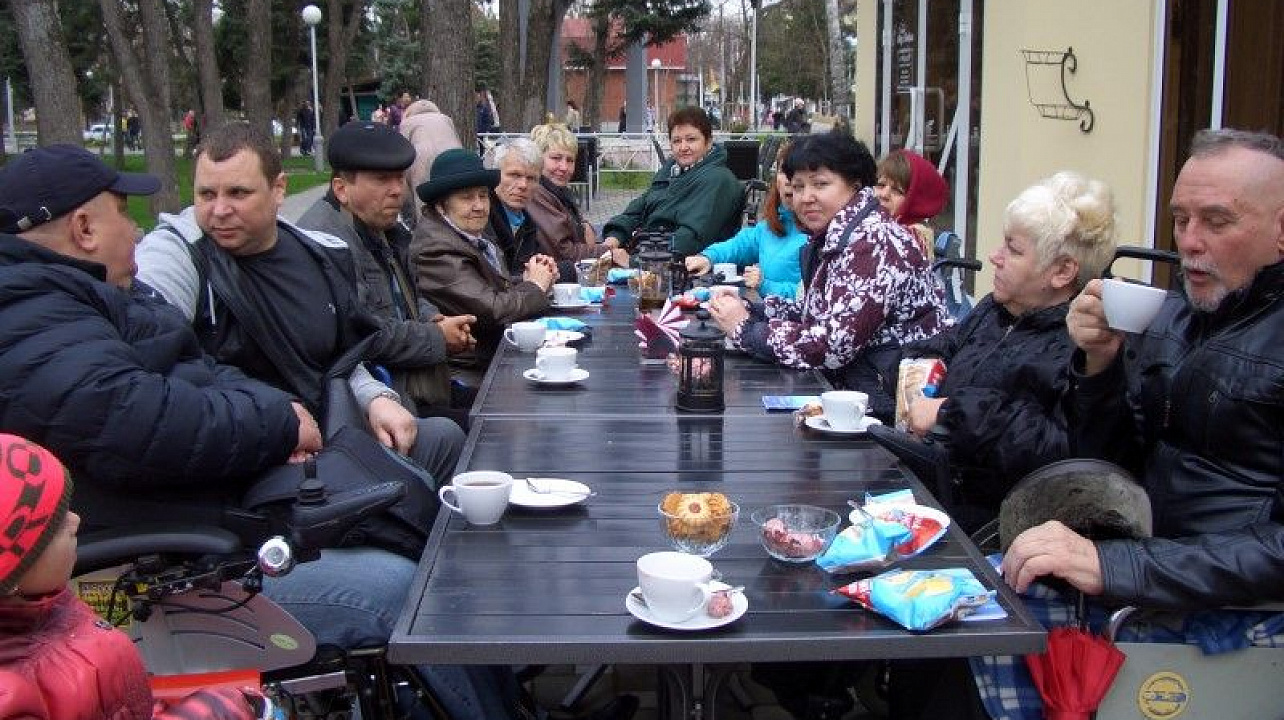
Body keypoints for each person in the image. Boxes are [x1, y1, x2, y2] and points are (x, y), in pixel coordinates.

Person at [965, 128, 1284, 720]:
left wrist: (1115, 566)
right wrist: (1099, 366)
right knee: (950, 598)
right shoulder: (1183, 318)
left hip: (1232, 616)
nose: (1189, 243)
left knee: (973, 625)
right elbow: (1111, 461)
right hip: (1151, 572)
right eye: (1180, 218)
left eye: (1216, 221)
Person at [135, 122, 465, 485]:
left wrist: (375, 398)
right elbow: (152, 359)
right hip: (248, 455)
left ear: (279, 189)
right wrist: (273, 424)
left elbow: (341, 354)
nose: (220, 210)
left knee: (444, 439)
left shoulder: (319, 253)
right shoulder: (179, 254)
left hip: (333, 432)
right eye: (206, 194)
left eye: (238, 193)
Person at [893, 171, 1117, 534]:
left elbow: (1060, 451)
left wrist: (951, 413)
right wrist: (912, 370)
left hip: (993, 529)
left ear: (1061, 271)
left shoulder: (1082, 345)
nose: (995, 257)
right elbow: (946, 346)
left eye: (1014, 249)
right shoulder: (997, 309)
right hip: (933, 490)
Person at [0, 435, 267, 720]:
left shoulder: (39, 603)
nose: (75, 521)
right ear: (12, 576)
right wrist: (213, 711)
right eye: (54, 527)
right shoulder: (14, 697)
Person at [706, 132, 951, 419]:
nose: (806, 197)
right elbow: (820, 313)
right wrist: (755, 310)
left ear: (856, 185)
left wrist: (746, 329)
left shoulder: (872, 242)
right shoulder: (842, 234)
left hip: (891, 409)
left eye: (820, 184)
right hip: (862, 389)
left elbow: (832, 345)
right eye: (798, 187)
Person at [296, 122, 475, 428]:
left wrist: (436, 321)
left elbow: (411, 297)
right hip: (377, 410)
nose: (398, 191)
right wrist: (437, 337)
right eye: (382, 180)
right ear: (341, 189)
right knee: (480, 431)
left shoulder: (384, 226)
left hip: (416, 388)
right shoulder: (324, 243)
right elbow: (365, 335)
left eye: (399, 178)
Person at [410, 148, 556, 369]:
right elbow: (492, 310)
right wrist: (535, 285)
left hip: (495, 355)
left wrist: (534, 275)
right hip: (466, 369)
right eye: (466, 198)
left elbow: (492, 289)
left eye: (482, 195)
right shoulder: (436, 249)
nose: (478, 206)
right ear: (441, 206)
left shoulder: (472, 236)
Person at [602, 106, 745, 257]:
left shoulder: (718, 180)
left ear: (708, 142)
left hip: (681, 267)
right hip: (649, 251)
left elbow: (691, 238)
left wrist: (636, 261)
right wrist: (615, 236)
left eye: (691, 139)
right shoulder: (671, 172)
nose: (683, 147)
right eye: (677, 141)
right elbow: (639, 208)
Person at [685, 140, 807, 299]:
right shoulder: (772, 225)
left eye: (798, 174)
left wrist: (765, 285)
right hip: (768, 315)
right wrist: (708, 257)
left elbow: (812, 296)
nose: (789, 181)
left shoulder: (819, 234)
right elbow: (740, 245)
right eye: (784, 172)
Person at [527, 123, 628, 280]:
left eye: (570, 160)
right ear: (538, 159)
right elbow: (564, 251)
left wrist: (586, 231)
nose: (564, 167)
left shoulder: (558, 192)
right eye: (556, 158)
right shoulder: (536, 194)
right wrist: (608, 252)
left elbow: (584, 233)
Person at [485, 138, 545, 276]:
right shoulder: (482, 216)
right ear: (495, 175)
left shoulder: (528, 222)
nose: (523, 185)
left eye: (531, 178)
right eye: (514, 175)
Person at [399, 98, 463, 224]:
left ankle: (425, 229)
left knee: (422, 198)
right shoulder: (445, 119)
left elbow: (402, 150)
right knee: (454, 192)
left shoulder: (407, 123)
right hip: (451, 154)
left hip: (421, 158)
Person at [875, 149, 948, 255]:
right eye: (881, 185)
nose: (884, 195)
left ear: (916, 201)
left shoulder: (914, 239)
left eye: (897, 190)